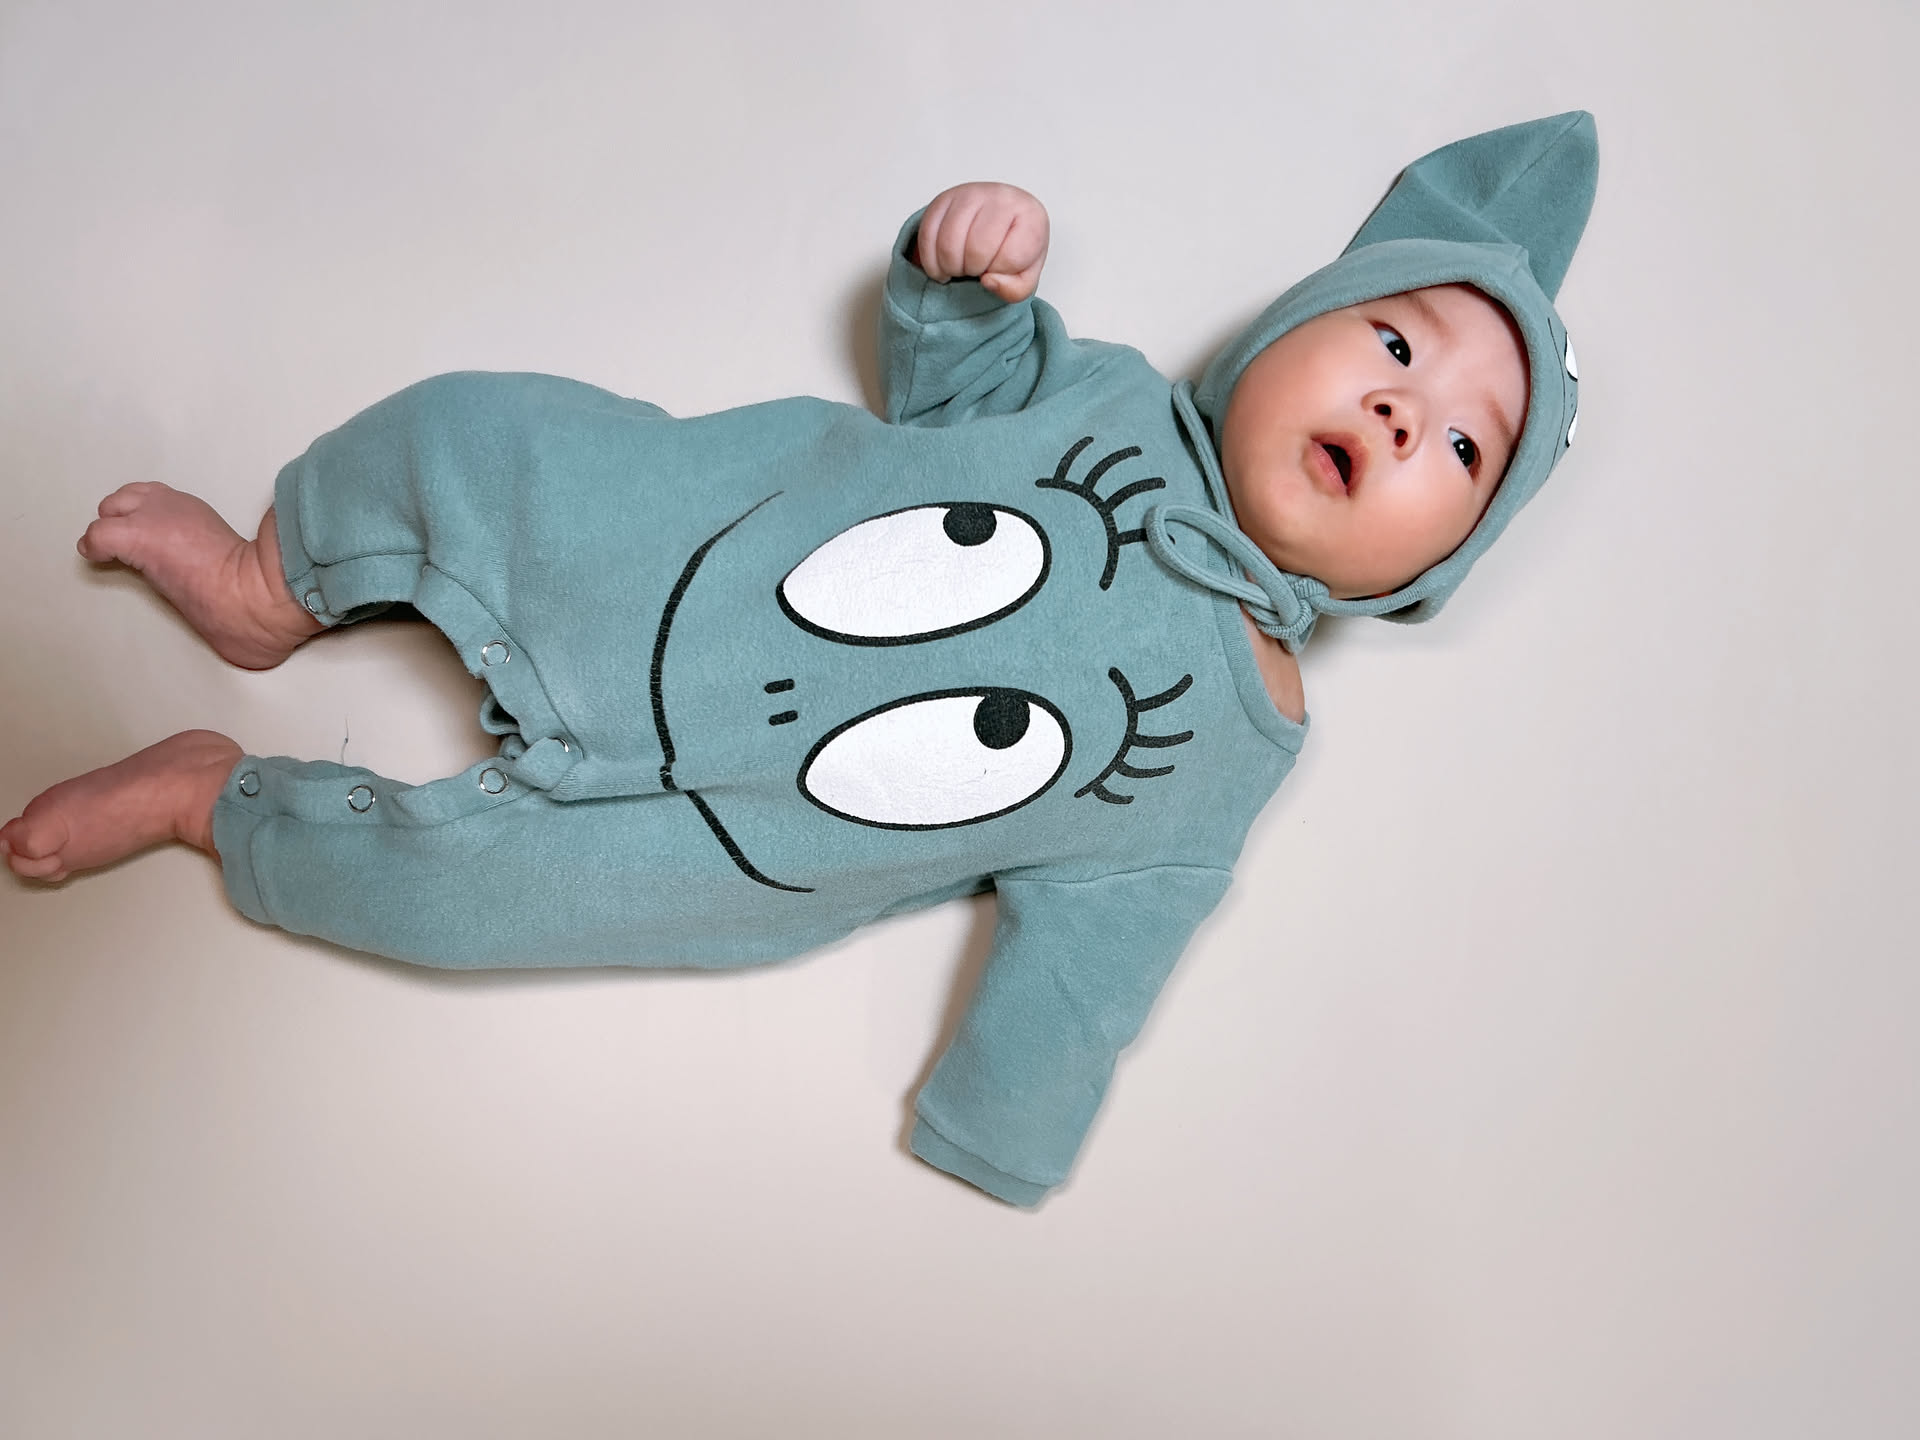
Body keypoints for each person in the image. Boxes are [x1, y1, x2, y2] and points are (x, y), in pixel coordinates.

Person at [2, 113, 1597, 1205]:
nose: (1406, 409)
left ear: (1432, 573)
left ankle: (212, 802)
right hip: (638, 545)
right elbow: (947, 376)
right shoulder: (1102, 396)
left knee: (447, 905)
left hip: (699, 854)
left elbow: (1101, 955)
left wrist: (1006, 1121)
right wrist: (963, 276)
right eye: (1394, 342)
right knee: (469, 438)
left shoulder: (1236, 747)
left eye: (1466, 445)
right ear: (1286, 334)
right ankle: (266, 586)